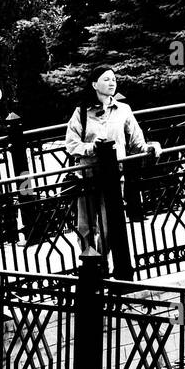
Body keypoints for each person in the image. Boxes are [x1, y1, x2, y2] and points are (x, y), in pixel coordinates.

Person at [64, 65, 162, 254]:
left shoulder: (123, 110)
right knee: (86, 227)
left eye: (114, 79)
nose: (112, 83)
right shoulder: (81, 112)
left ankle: (101, 260)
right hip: (88, 175)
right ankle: (90, 263)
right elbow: (71, 144)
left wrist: (151, 147)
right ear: (94, 84)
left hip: (115, 176)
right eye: (106, 79)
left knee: (111, 225)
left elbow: (137, 143)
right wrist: (92, 148)